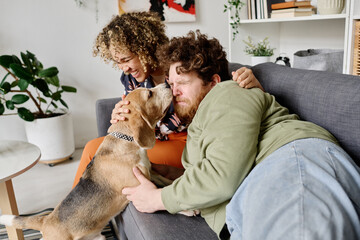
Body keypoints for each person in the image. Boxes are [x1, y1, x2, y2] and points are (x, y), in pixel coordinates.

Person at [122, 30, 360, 239]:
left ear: (213, 82)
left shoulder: (229, 92)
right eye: (171, 84)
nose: (173, 92)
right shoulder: (203, 122)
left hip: (288, 164)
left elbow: (222, 176)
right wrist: (175, 175)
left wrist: (157, 199)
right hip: (248, 203)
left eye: (182, 82)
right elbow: (223, 167)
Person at [72, 11, 263, 187]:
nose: (124, 68)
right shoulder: (132, 78)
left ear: (143, 48)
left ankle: (74, 219)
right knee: (95, 148)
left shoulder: (179, 66)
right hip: (151, 137)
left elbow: (222, 89)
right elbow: (137, 118)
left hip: (185, 142)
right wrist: (121, 115)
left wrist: (251, 82)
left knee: (95, 153)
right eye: (118, 62)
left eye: (126, 59)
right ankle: (75, 214)